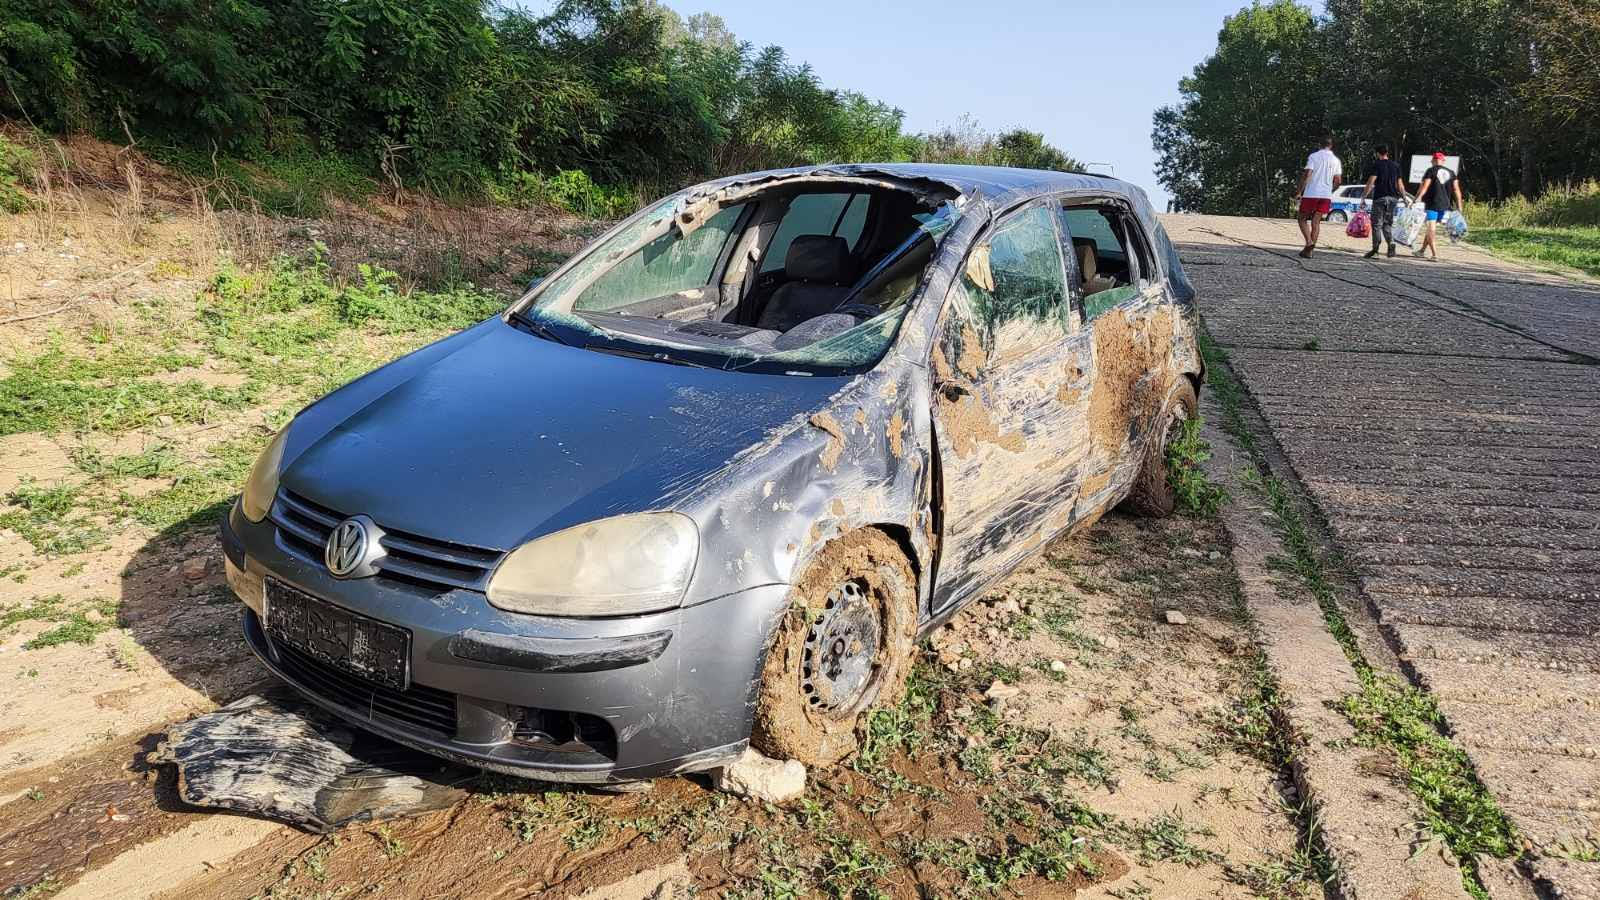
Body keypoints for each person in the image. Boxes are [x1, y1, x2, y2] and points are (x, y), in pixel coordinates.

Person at [1295, 136, 1343, 258]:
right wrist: (1330, 190)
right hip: (1325, 195)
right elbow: (1338, 181)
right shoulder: (1336, 160)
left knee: (1302, 219)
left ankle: (1309, 243)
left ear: (1319, 144)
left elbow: (1307, 175)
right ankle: (1309, 252)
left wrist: (1299, 191)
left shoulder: (1314, 157)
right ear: (1331, 146)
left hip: (1312, 193)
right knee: (1316, 222)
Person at [1360, 144, 1409, 259]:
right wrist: (1404, 198)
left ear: (1378, 153)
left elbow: (1371, 182)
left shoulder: (1377, 164)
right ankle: (1391, 242)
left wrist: (1363, 197)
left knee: (1376, 224)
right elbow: (1400, 185)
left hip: (1380, 198)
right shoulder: (1396, 166)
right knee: (1387, 223)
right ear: (1387, 153)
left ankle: (1375, 250)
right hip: (1393, 199)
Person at [1412, 152, 1463, 260]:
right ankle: (1421, 251)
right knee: (1431, 228)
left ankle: (1435, 254)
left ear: (1433, 160)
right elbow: (1456, 190)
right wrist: (1459, 206)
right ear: (1443, 161)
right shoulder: (1451, 173)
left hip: (1432, 204)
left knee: (1431, 229)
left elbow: (1424, 187)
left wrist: (1415, 199)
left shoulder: (1431, 171)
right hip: (1445, 206)